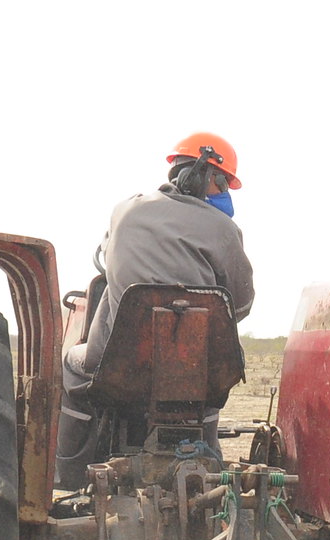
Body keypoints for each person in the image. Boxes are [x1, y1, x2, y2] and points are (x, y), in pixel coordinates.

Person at [56, 132, 255, 489]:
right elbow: (239, 306)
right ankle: (208, 467)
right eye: (223, 184)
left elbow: (107, 257)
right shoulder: (226, 230)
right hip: (198, 369)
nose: (223, 193)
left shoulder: (126, 211)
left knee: (71, 367)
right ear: (206, 176)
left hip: (117, 364)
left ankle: (67, 476)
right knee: (207, 388)